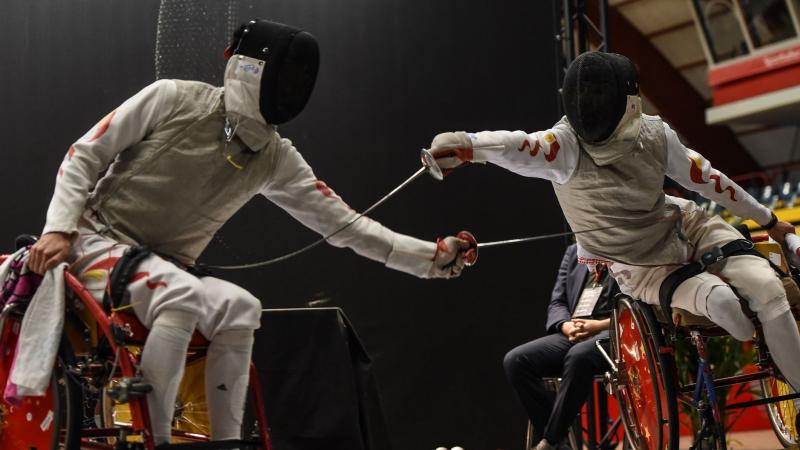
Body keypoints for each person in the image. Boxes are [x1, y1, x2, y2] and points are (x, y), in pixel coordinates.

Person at [27, 19, 470, 447]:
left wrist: (428, 258)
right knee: (178, 295)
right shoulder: (172, 99)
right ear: (248, 65)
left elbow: (345, 225)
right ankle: (155, 440)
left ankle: (226, 442)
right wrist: (59, 229)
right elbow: (84, 154)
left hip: (162, 271)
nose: (291, 86)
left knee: (241, 308)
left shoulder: (274, 157)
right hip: (93, 245)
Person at [428, 51, 800, 450]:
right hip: (642, 266)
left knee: (768, 290)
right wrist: (466, 146)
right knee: (727, 307)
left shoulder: (654, 135)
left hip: (688, 224)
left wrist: (768, 220)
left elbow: (708, 179)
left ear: (627, 100)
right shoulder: (563, 146)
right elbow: (516, 146)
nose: (592, 105)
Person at [504, 244, 619, 449]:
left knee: (578, 356)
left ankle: (551, 440)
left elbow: (637, 304)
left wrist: (598, 326)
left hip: (612, 330)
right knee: (516, 361)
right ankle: (560, 439)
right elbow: (557, 303)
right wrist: (566, 326)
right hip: (574, 330)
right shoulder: (573, 252)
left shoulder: (624, 246)